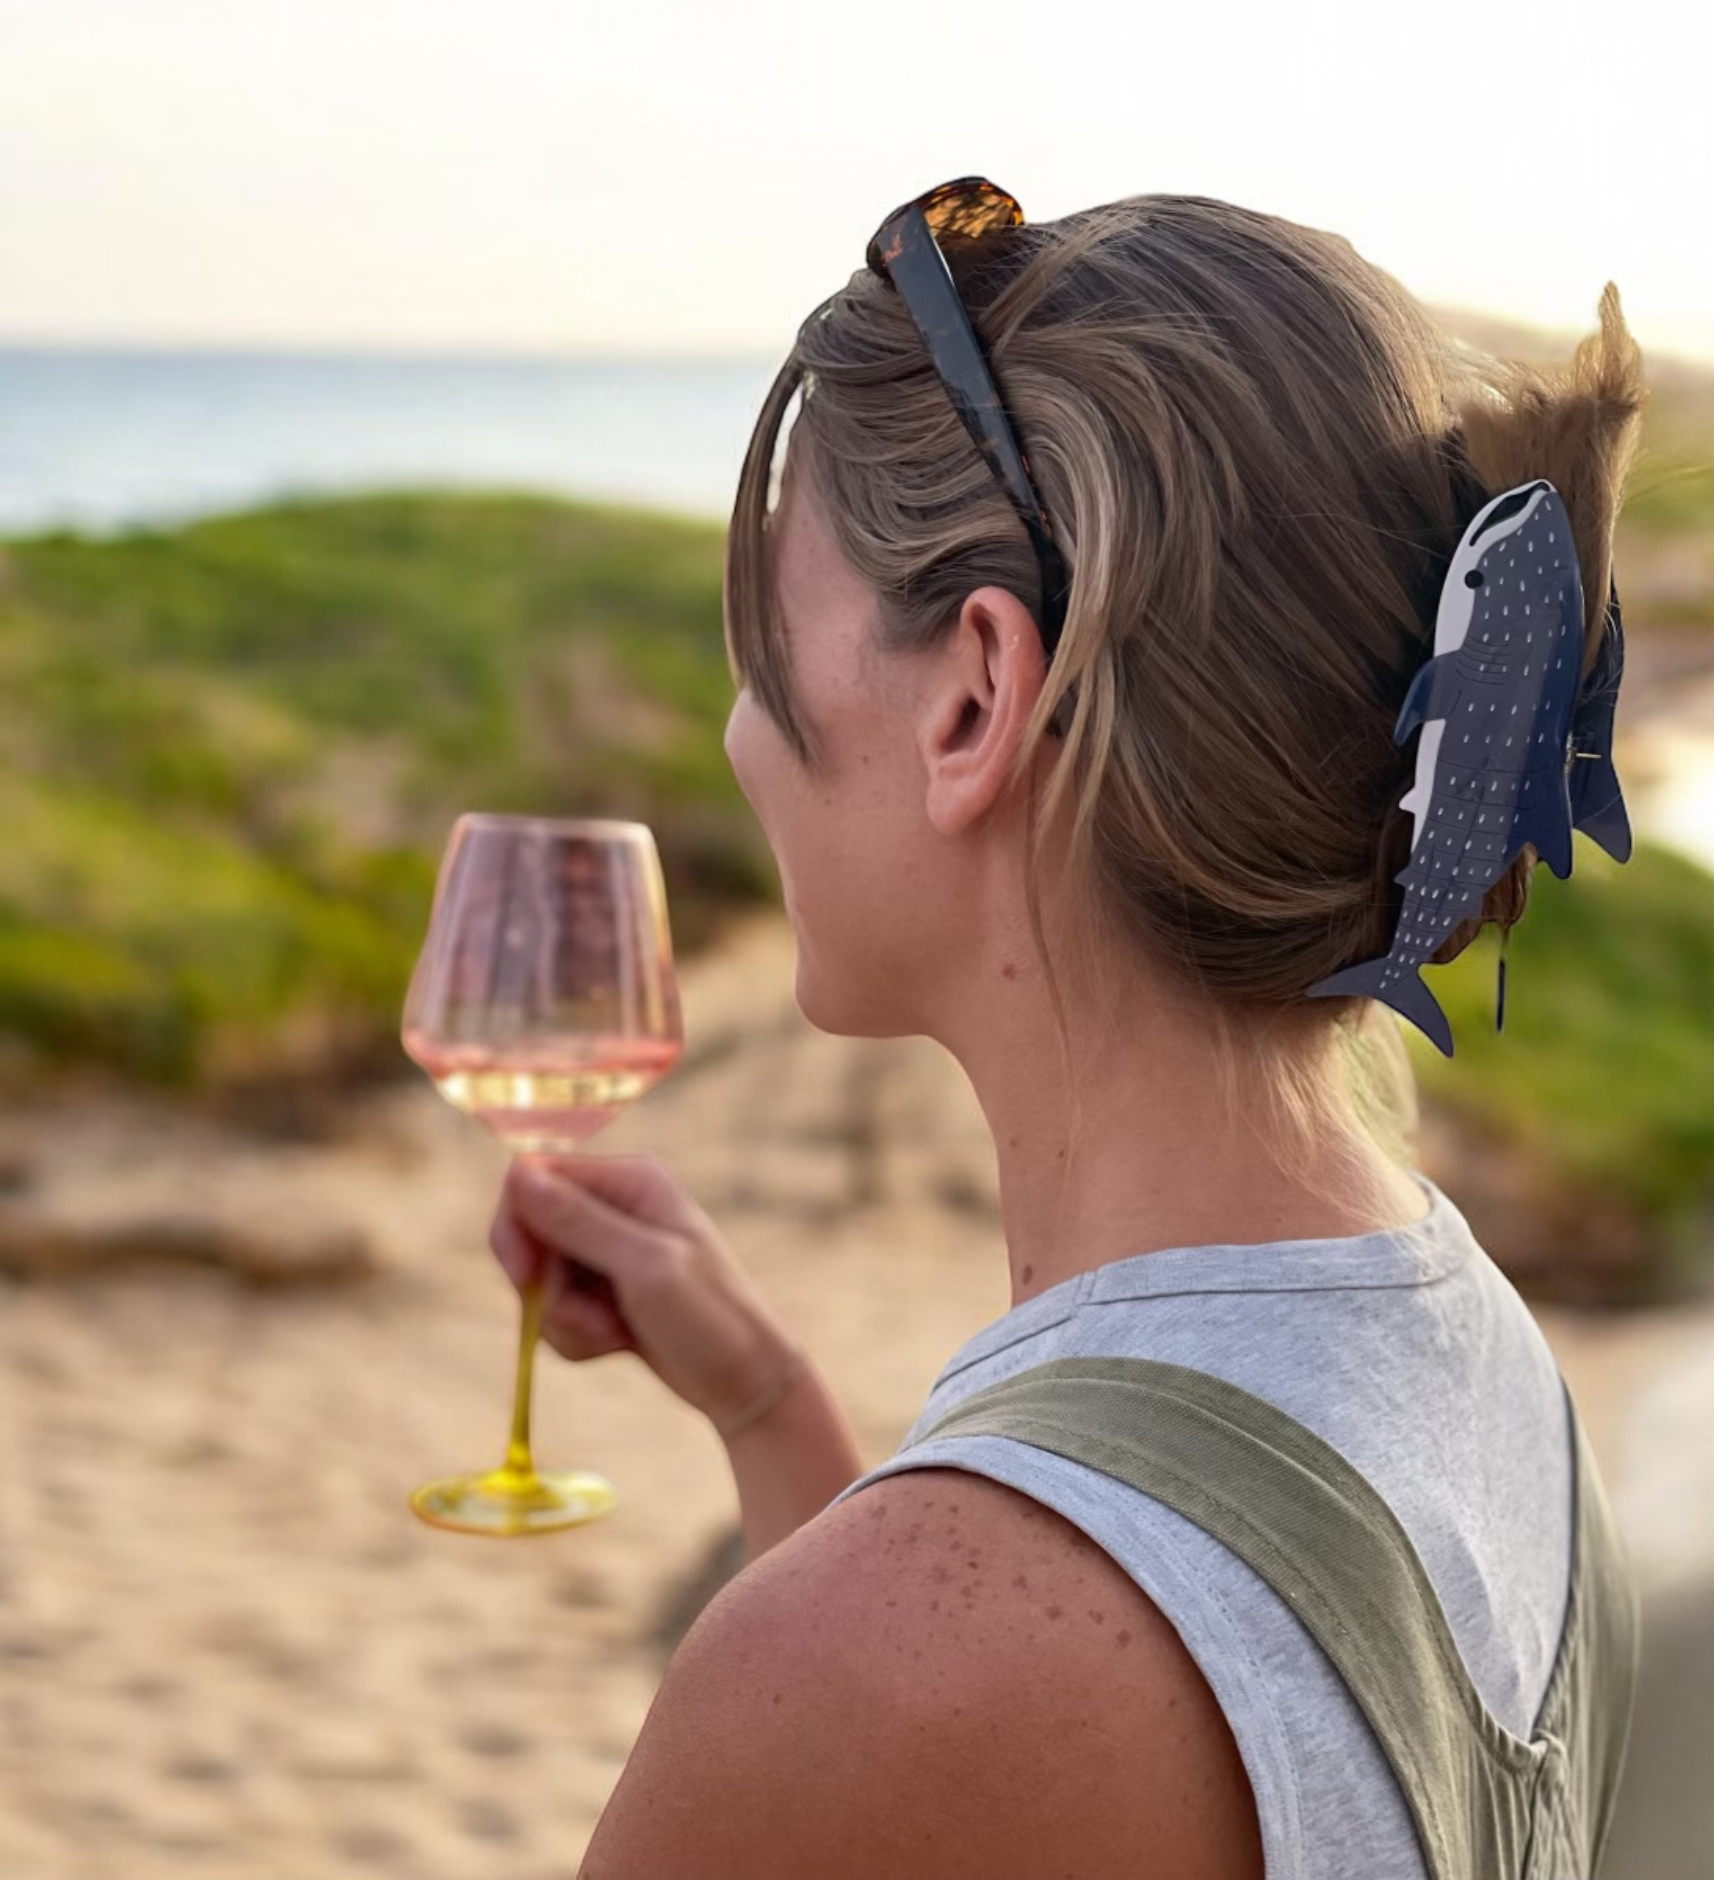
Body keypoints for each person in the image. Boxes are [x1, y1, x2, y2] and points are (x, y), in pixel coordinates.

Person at [490, 182, 1645, 1879]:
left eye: (761, 646)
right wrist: (767, 1404)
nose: (742, 732)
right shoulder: (1483, 1366)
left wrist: (847, 1578)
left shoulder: (902, 1662)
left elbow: (938, 1702)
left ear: (972, 697)